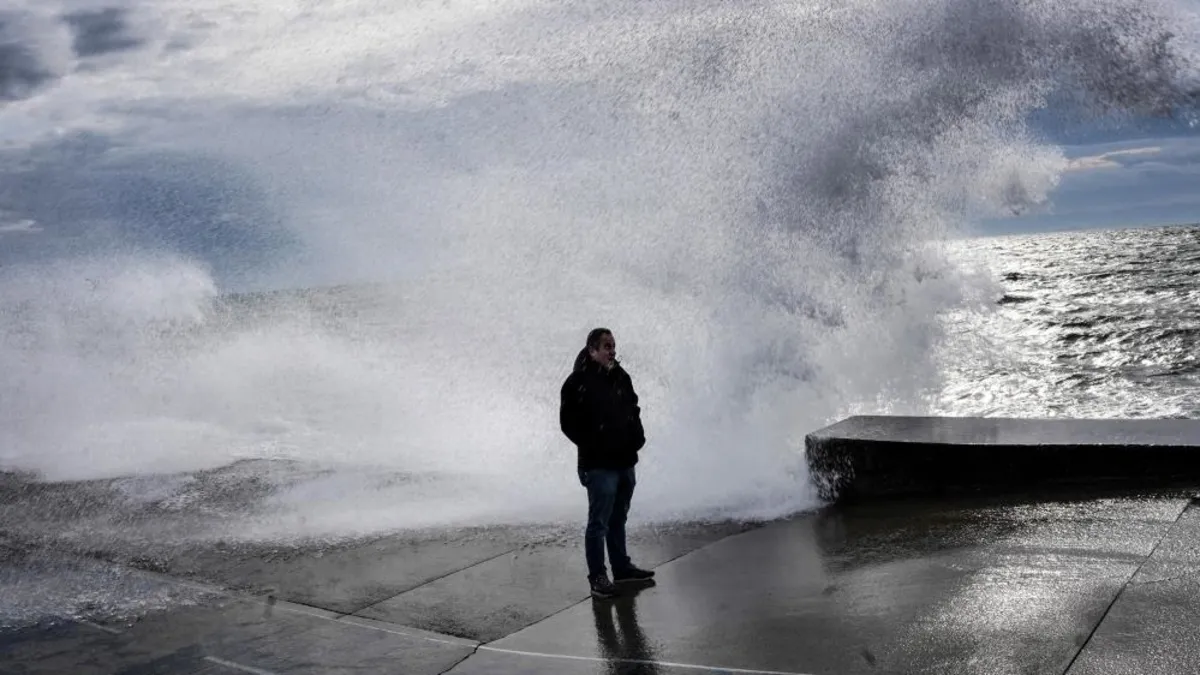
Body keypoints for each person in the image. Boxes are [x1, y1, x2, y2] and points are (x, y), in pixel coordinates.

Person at [560, 328, 655, 599]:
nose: (612, 350)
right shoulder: (578, 381)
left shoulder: (620, 376)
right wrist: (595, 444)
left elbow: (633, 408)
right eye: (606, 346)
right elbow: (568, 424)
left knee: (619, 517)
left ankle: (621, 568)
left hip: (625, 461)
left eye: (613, 345)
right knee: (598, 522)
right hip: (599, 465)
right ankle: (598, 577)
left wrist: (637, 437)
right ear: (592, 350)